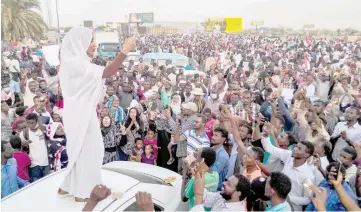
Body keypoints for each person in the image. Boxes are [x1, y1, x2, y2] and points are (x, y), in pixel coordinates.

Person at [57, 27, 136, 201]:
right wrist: (125, 50)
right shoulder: (75, 63)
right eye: (91, 40)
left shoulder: (74, 61)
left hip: (80, 113)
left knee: (83, 149)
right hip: (81, 114)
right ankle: (82, 193)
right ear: (80, 43)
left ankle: (69, 185)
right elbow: (107, 72)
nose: (95, 44)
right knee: (88, 150)